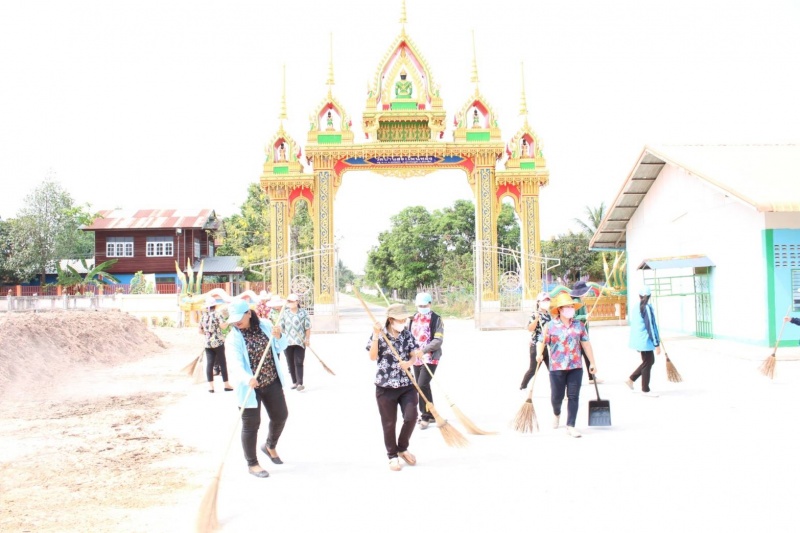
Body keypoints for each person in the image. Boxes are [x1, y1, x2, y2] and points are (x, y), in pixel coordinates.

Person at [225, 298, 289, 478]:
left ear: (249, 313)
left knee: (281, 416)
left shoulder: (266, 326)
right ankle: (252, 463)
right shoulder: (233, 338)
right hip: (249, 387)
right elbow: (235, 363)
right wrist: (247, 378)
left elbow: (281, 346)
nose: (237, 322)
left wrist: (279, 336)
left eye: (240, 317)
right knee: (251, 425)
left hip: (271, 380)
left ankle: (269, 446)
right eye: (234, 319)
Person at [366, 303, 423, 471]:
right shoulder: (380, 334)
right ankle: (392, 456)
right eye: (401, 320)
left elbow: (413, 355)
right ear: (391, 320)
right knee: (389, 423)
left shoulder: (407, 334)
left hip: (406, 384)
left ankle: (402, 448)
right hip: (385, 386)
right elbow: (372, 356)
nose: (404, 322)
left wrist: (409, 363)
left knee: (411, 416)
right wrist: (376, 335)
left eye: (405, 319)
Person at [537, 292, 598, 438]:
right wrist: (539, 354)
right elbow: (541, 341)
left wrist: (592, 362)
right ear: (560, 309)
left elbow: (586, 344)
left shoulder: (579, 325)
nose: (570, 309)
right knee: (556, 397)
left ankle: (571, 425)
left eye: (572, 306)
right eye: (567, 307)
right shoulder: (550, 326)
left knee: (573, 396)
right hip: (557, 367)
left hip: (575, 366)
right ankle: (556, 413)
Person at [409, 292, 444, 429]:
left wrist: (423, 350)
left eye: (424, 305)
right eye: (420, 306)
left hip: (430, 357)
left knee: (421, 384)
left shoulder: (436, 319)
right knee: (423, 386)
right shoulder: (413, 318)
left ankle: (425, 416)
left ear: (430, 304)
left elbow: (438, 340)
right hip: (416, 358)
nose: (422, 308)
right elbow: (408, 336)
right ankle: (432, 414)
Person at [626, 286, 662, 397]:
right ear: (650, 296)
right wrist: (656, 343)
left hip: (640, 340)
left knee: (649, 361)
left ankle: (631, 379)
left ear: (639, 296)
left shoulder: (636, 307)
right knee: (648, 362)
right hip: (645, 340)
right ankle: (645, 389)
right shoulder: (646, 308)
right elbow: (650, 326)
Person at [570, 280, 603, 384]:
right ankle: (574, 379)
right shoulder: (576, 302)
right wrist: (585, 316)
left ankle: (591, 377)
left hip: (582, 332)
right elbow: (572, 317)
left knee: (587, 355)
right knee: (578, 357)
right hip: (578, 333)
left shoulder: (581, 300)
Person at [199, 296, 233, 393]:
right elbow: (222, 326)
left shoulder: (203, 316)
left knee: (209, 364)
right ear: (215, 305)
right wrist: (228, 322)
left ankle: (211, 387)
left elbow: (200, 331)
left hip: (207, 343)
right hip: (218, 341)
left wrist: (207, 334)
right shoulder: (218, 314)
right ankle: (226, 385)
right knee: (222, 363)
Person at [520, 291, 551, 390]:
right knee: (533, 369)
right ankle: (523, 386)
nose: (546, 302)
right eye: (544, 300)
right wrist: (536, 319)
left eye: (548, 300)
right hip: (536, 345)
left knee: (552, 369)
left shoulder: (549, 315)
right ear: (538, 302)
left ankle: (557, 388)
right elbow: (530, 329)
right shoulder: (535, 314)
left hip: (546, 345)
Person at [280, 293, 312, 391]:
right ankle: (294, 382)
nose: (289, 303)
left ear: (297, 302)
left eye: (291, 301)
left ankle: (300, 383)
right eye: (288, 301)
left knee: (299, 362)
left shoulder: (303, 313)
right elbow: (282, 327)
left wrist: (307, 339)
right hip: (288, 342)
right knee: (290, 363)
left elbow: (307, 327)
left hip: (300, 342)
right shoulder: (285, 313)